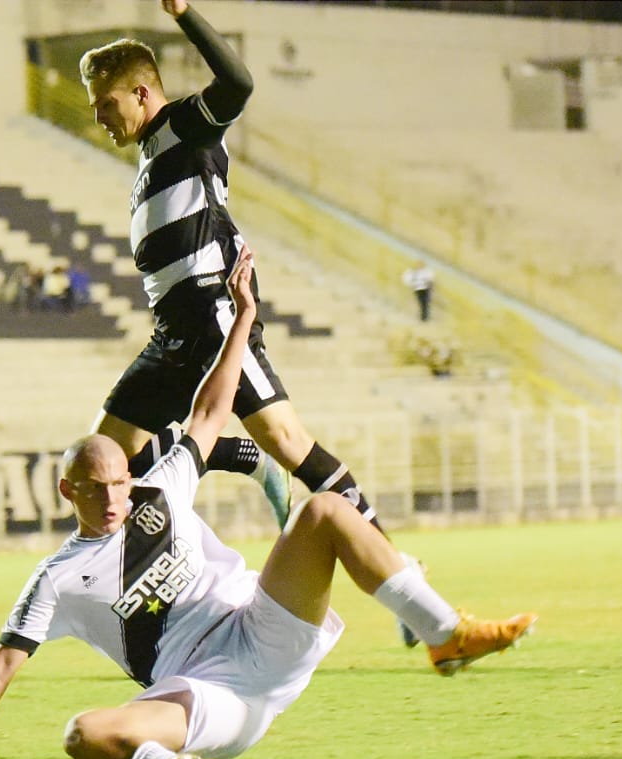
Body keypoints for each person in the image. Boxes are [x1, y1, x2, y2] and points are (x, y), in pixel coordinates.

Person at [0, 247, 536, 759]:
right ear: (66, 490)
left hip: (262, 623)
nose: (114, 497)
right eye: (96, 488)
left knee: (324, 512)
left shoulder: (159, 486)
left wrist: (243, 319)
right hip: (204, 691)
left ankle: (445, 633)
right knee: (83, 733)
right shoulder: (58, 578)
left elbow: (210, 413)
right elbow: (1, 662)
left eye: (118, 482)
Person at [79, 0, 390, 550]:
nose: (99, 117)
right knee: (102, 459)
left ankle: (396, 570)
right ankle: (239, 456)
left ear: (143, 93)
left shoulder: (185, 126)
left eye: (106, 103)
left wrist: (184, 15)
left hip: (213, 319)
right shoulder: (152, 155)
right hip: (172, 331)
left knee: (291, 443)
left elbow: (239, 84)